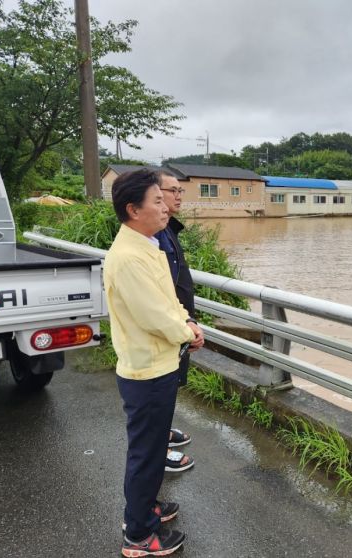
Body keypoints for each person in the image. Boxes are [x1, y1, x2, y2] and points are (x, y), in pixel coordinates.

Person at [105, 169, 204, 557]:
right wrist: (187, 333)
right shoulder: (129, 257)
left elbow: (169, 300)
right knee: (146, 454)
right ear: (133, 209)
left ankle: (145, 510)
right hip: (147, 371)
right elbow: (153, 315)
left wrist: (188, 322)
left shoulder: (147, 244)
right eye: (158, 201)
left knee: (151, 448)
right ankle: (139, 535)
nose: (166, 207)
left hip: (159, 364)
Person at [155, 172, 197, 473]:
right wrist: (185, 328)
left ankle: (163, 434)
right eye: (172, 190)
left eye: (180, 190)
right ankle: (160, 451)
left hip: (178, 323)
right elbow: (160, 292)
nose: (178, 195)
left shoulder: (167, 228)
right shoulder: (155, 234)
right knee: (162, 390)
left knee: (171, 386)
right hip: (169, 329)